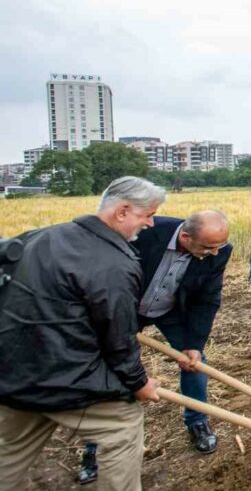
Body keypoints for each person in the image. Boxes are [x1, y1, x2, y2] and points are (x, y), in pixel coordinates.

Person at [0, 177, 163, 491]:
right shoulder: (114, 264)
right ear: (123, 211)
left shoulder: (38, 237)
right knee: (124, 428)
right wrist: (139, 384)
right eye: (147, 214)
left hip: (13, 377)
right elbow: (119, 340)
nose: (151, 222)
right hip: (68, 381)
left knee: (8, 449)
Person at [77, 210, 233, 483]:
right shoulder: (146, 232)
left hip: (168, 309)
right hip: (123, 309)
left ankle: (197, 422)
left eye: (218, 247)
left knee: (196, 363)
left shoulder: (218, 251)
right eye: (208, 247)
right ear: (185, 237)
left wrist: (194, 344)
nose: (214, 253)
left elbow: (207, 299)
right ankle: (96, 448)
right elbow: (97, 269)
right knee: (106, 369)